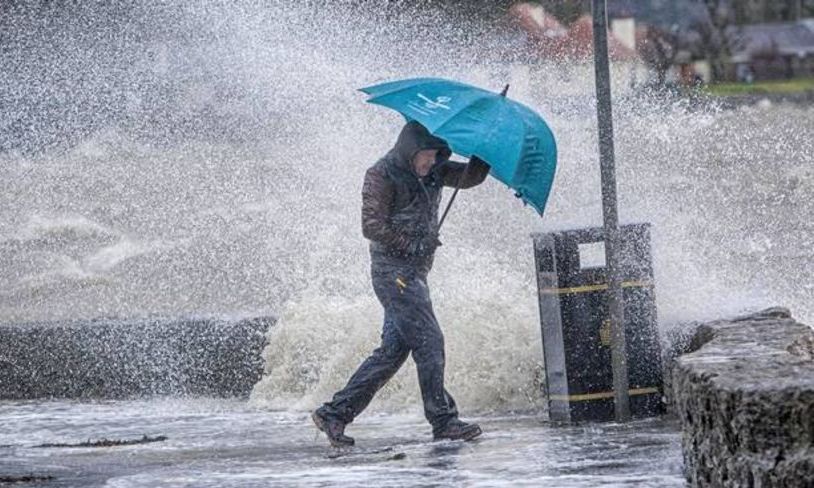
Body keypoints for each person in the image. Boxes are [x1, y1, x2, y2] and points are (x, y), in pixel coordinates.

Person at [312, 121, 490, 446]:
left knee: (392, 352)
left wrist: (485, 150)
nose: (430, 162)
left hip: (415, 274)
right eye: (426, 155)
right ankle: (444, 420)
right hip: (392, 274)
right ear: (411, 150)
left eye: (437, 156)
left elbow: (469, 178)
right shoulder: (381, 174)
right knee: (430, 341)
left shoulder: (435, 170)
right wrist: (412, 244)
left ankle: (334, 414)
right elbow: (371, 226)